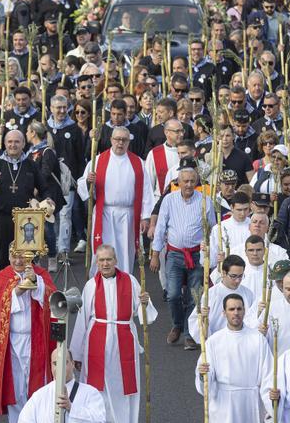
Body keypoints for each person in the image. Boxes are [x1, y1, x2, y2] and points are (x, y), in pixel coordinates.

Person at [70, 245, 156, 423]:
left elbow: (143, 314)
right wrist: (76, 354)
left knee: (122, 388)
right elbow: (82, 320)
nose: (105, 263)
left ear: (116, 261)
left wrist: (144, 303)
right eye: (101, 260)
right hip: (96, 342)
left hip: (123, 341)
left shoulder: (130, 281)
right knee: (96, 388)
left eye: (109, 259)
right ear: (96, 263)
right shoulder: (91, 285)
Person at [0, 248, 57, 421]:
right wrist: (16, 293)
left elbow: (54, 301)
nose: (18, 261)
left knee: (36, 386)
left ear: (30, 257)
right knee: (15, 388)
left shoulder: (41, 275)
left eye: (21, 256)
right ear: (9, 256)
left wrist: (37, 283)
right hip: (11, 342)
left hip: (36, 341)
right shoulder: (1, 277)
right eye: (14, 256)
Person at [151, 167, 217, 349]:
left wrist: (210, 250)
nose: (188, 184)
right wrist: (155, 254)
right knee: (172, 294)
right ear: (178, 182)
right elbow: (160, 228)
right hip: (174, 254)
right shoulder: (169, 200)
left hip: (197, 255)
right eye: (185, 181)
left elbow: (213, 227)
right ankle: (177, 324)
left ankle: (189, 333)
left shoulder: (206, 201)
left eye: (192, 181)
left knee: (194, 296)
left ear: (196, 182)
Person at [77, 127, 153, 275]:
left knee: (125, 253)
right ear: (111, 140)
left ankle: (123, 282)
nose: (120, 143)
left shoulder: (138, 163)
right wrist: (88, 181)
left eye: (124, 140)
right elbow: (82, 185)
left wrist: (145, 217)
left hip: (128, 215)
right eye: (117, 139)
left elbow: (146, 190)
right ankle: (100, 283)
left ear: (129, 142)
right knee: (102, 250)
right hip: (104, 213)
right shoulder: (98, 160)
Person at [195, 293, 273, 423]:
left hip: (250, 402)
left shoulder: (258, 339)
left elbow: (268, 374)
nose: (236, 312)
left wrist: (271, 405)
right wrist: (203, 375)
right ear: (224, 313)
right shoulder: (214, 341)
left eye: (239, 309)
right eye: (231, 309)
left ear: (244, 311)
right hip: (223, 403)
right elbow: (206, 375)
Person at [0, 129, 48, 270]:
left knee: (28, 260)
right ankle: (7, 290)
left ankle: (28, 289)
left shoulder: (31, 165)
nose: (13, 145)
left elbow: (44, 189)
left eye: (17, 141)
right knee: (6, 259)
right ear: (4, 143)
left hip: (27, 220)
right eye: (9, 142)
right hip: (3, 219)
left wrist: (44, 202)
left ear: (23, 143)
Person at [18, 348, 106, 423]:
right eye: (55, 363)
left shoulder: (91, 393)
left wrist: (71, 408)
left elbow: (100, 420)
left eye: (64, 362)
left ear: (73, 364)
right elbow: (24, 420)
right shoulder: (39, 396)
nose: (59, 367)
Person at [187, 255, 254, 344]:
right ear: (223, 273)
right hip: (218, 343)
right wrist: (202, 317)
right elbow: (195, 321)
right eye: (233, 276)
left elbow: (252, 320)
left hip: (242, 341)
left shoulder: (248, 293)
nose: (238, 280)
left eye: (240, 276)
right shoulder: (210, 294)